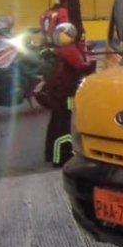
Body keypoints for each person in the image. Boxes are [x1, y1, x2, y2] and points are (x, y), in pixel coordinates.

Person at [42, 23, 92, 167]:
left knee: (55, 123)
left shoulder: (59, 50)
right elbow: (81, 66)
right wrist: (90, 63)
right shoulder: (69, 50)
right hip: (67, 93)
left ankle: (50, 153)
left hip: (56, 92)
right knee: (64, 124)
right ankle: (60, 157)